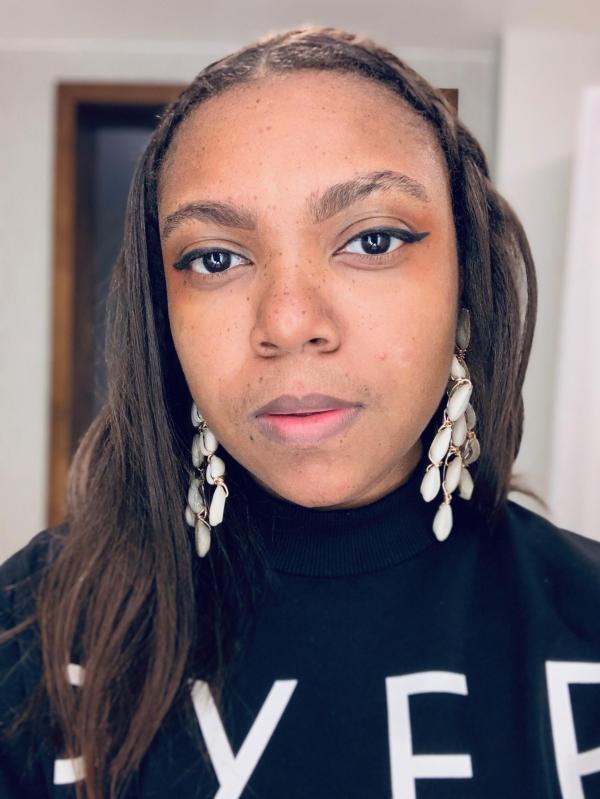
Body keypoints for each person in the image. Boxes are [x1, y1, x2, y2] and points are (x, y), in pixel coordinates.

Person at [1, 24, 599, 799]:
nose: (288, 321)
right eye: (215, 258)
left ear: (465, 281)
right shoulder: (28, 632)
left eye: (373, 240)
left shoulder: (584, 618)